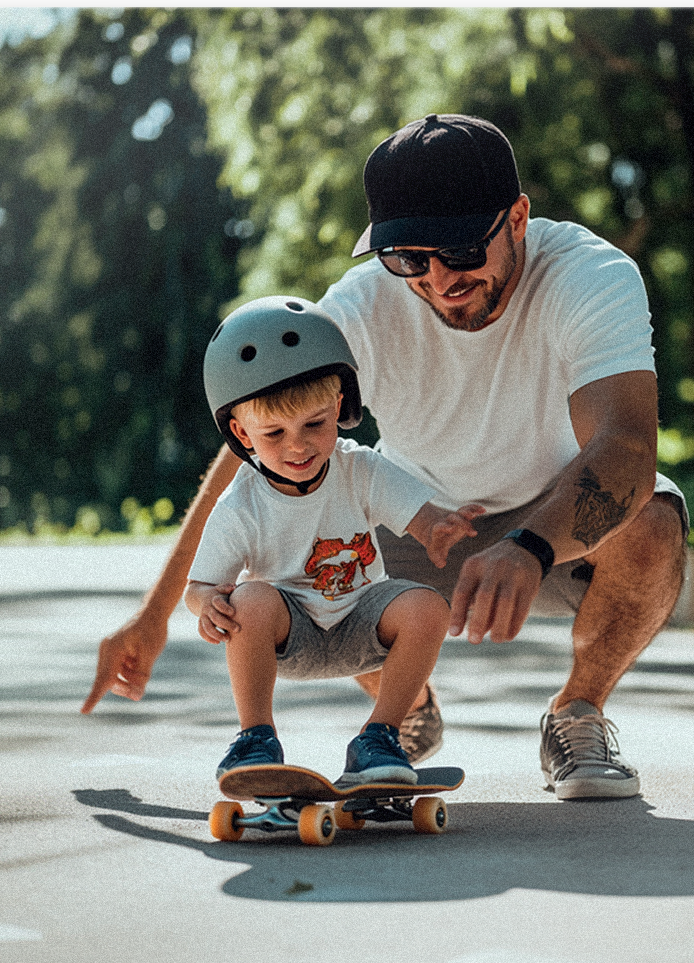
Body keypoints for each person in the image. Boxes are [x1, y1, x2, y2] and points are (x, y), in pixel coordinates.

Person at [84, 113, 687, 800]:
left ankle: (577, 712)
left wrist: (529, 545)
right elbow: (252, 456)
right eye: (408, 259)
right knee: (288, 525)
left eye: (461, 251)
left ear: (517, 217)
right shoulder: (362, 309)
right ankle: (403, 713)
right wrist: (154, 614)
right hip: (411, 522)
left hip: (555, 524)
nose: (437, 279)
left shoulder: (589, 276)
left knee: (652, 522)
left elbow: (628, 448)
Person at [186, 295, 480, 787]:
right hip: (290, 633)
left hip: (362, 621)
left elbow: (419, 515)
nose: (297, 446)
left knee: (427, 607)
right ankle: (255, 738)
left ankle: (380, 736)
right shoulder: (242, 504)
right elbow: (199, 586)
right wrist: (207, 606)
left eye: (314, 424)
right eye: (274, 432)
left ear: (339, 406)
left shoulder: (358, 468)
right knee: (249, 597)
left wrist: (439, 528)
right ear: (241, 432)